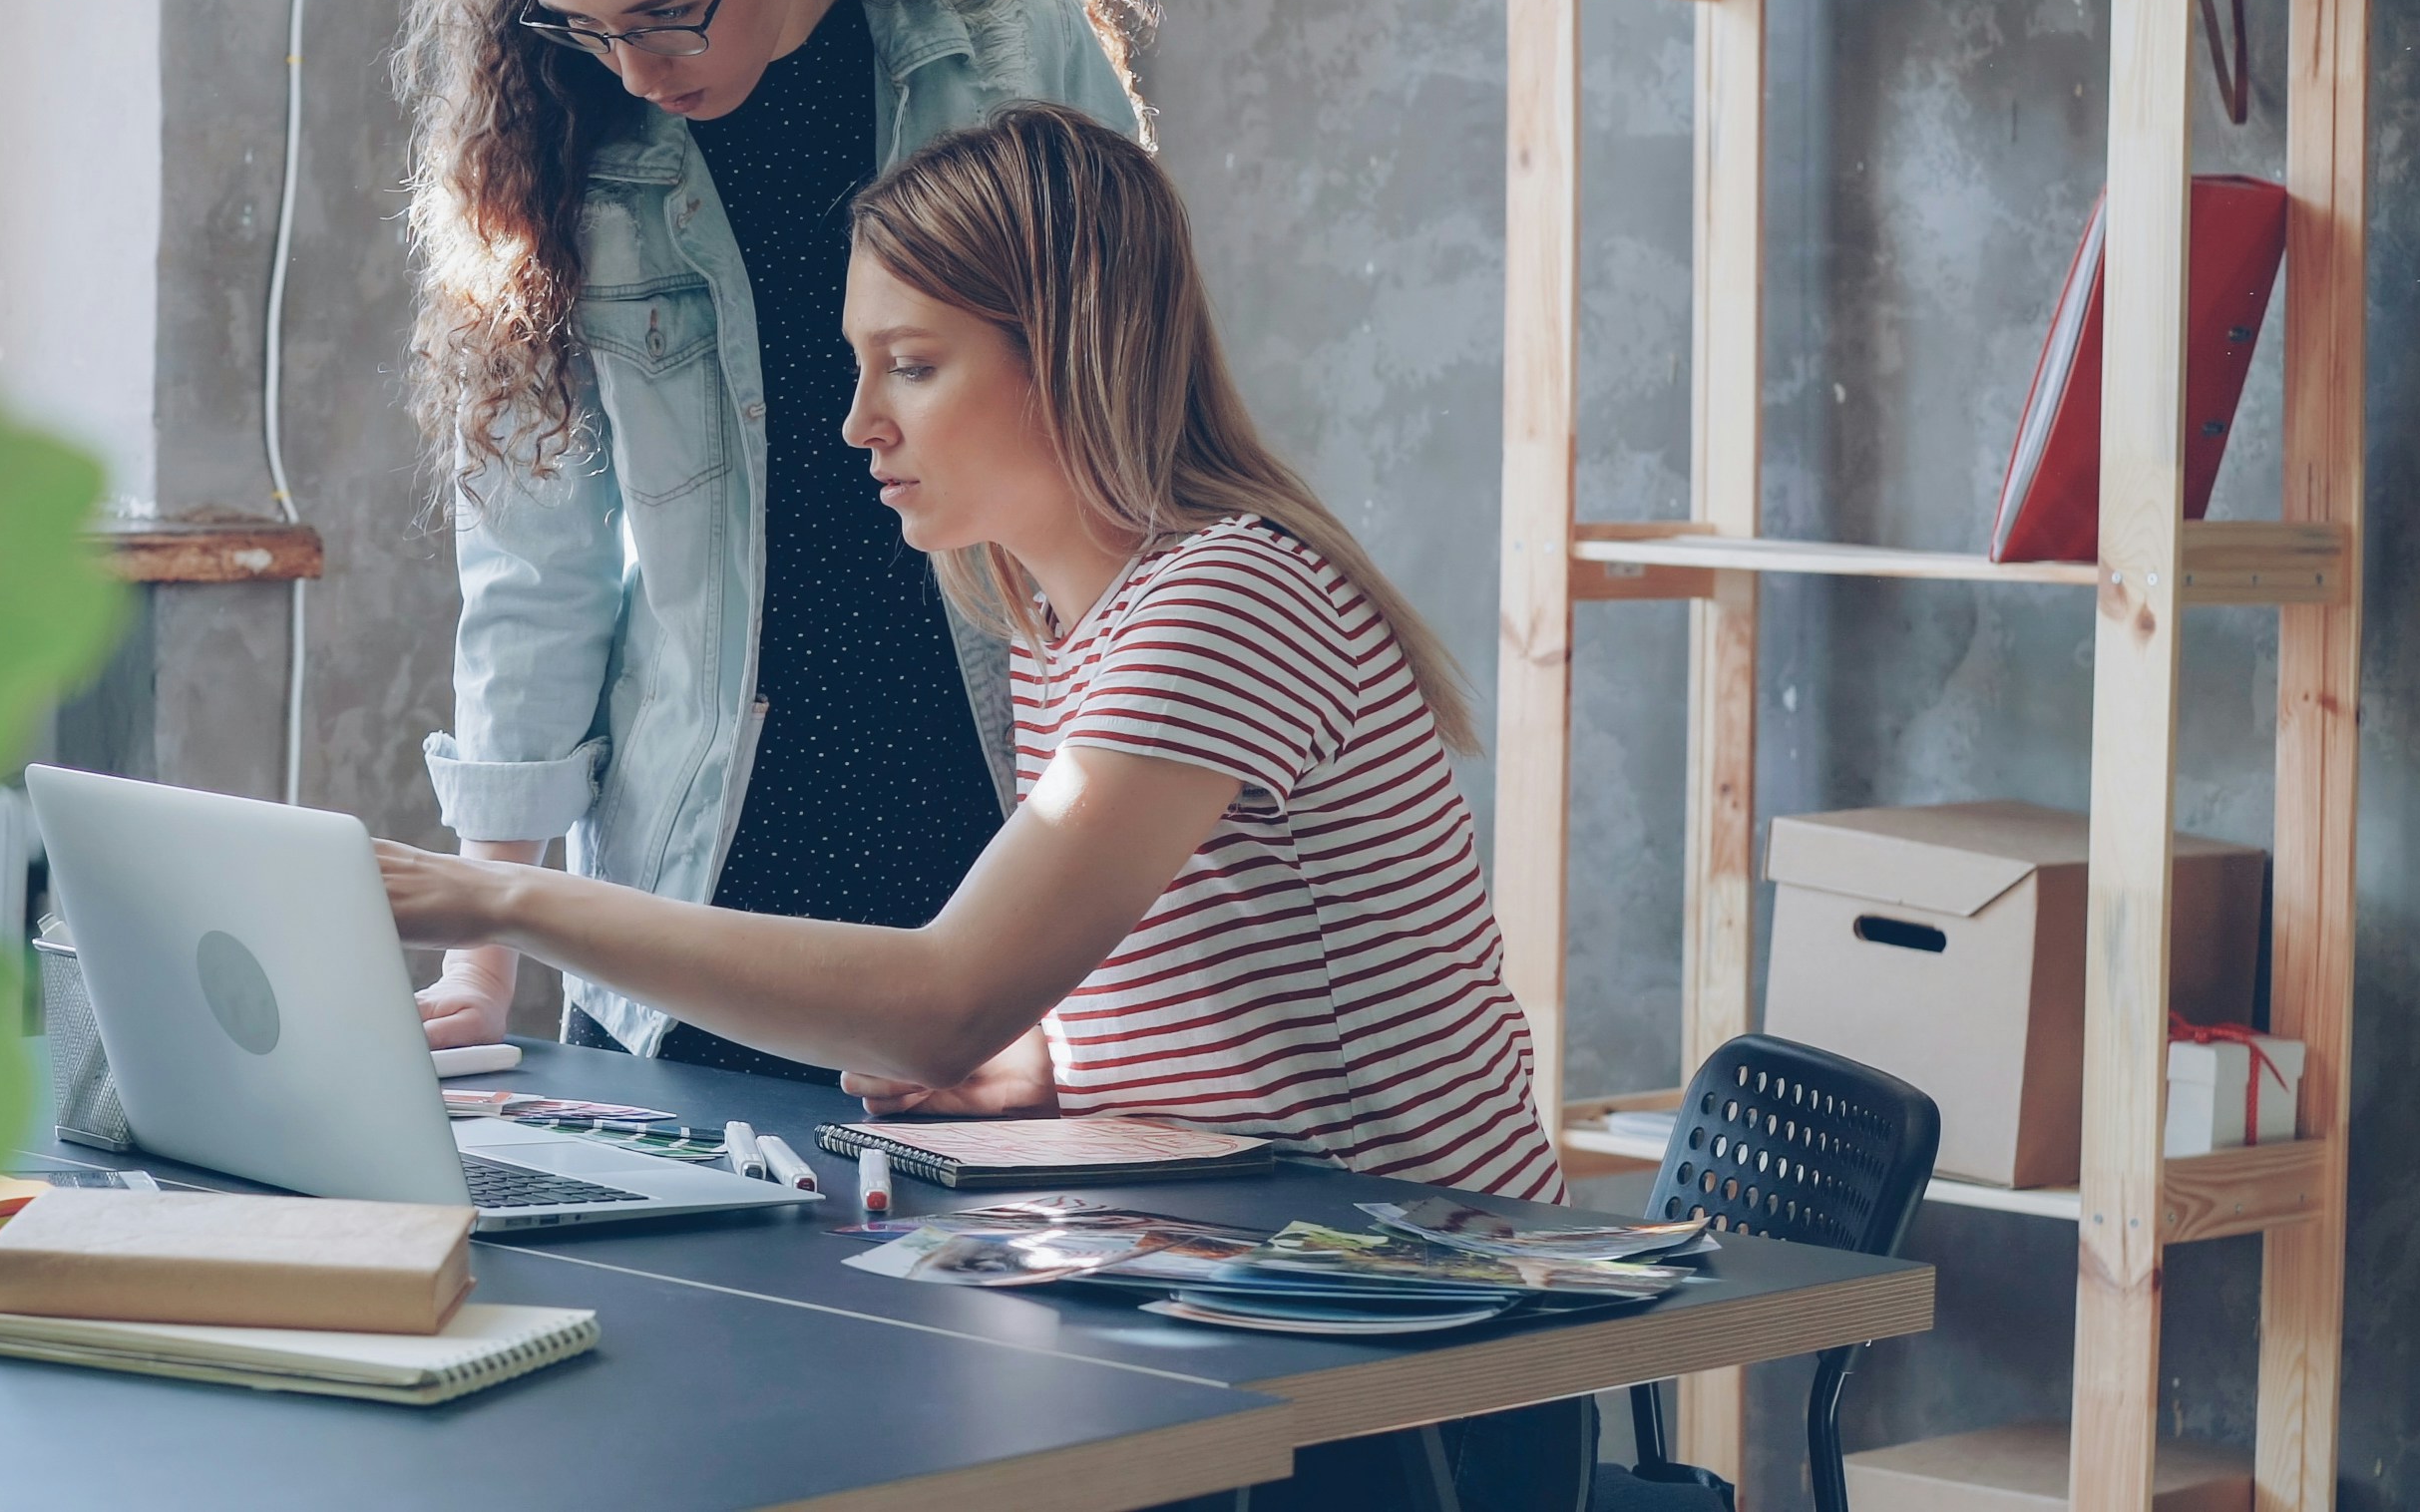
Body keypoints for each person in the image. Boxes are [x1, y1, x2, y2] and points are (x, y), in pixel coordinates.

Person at [382, 104, 1560, 1201]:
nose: (857, 421)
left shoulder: (1227, 599)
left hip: (1422, 1305)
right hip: (1236, 1248)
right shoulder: (1050, 621)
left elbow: (939, 1002)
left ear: (1069, 349)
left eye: (913, 363)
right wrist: (1048, 1066)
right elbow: (1209, 985)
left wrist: (497, 895)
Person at [399, 0, 1150, 1081]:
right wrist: (484, 953)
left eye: (668, 14)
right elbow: (537, 560)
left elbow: (1135, 443)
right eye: (581, 22)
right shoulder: (562, 134)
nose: (631, 68)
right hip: (704, 864)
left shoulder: (1010, 55)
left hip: (995, 809)